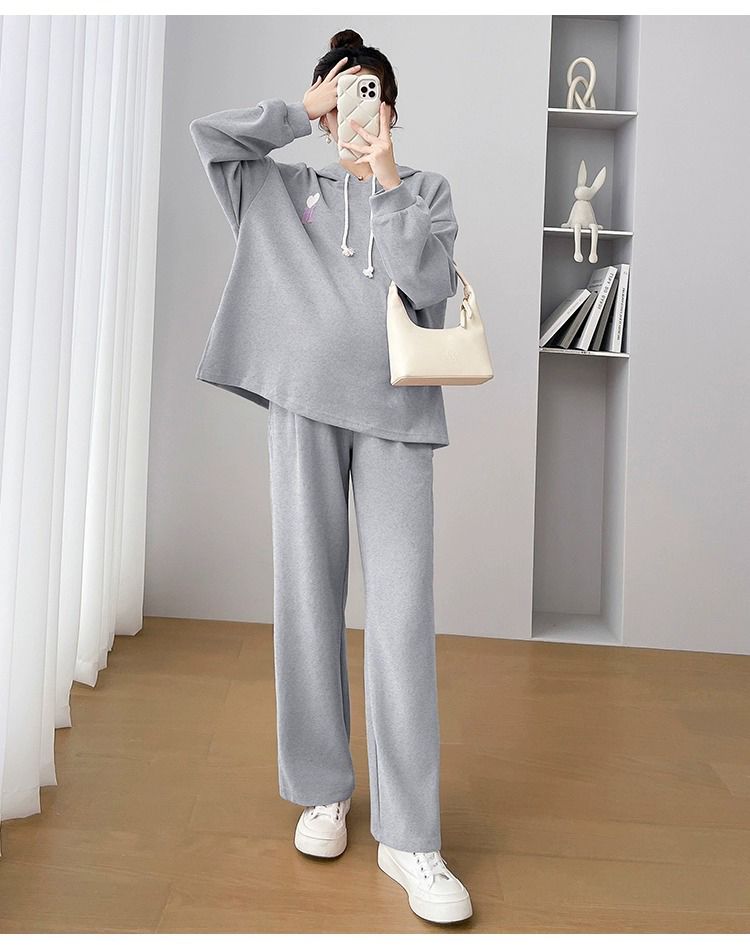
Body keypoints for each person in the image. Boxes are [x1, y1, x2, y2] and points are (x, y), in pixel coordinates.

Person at [189, 28, 472, 925]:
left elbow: (429, 286)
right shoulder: (275, 188)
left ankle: (410, 835)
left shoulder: (423, 191)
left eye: (371, 94)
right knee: (307, 598)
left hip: (397, 418)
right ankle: (322, 791)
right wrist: (299, 109)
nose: (357, 108)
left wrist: (386, 180)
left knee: (402, 619)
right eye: (343, 93)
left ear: (392, 112)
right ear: (321, 105)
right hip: (303, 409)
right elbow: (212, 137)